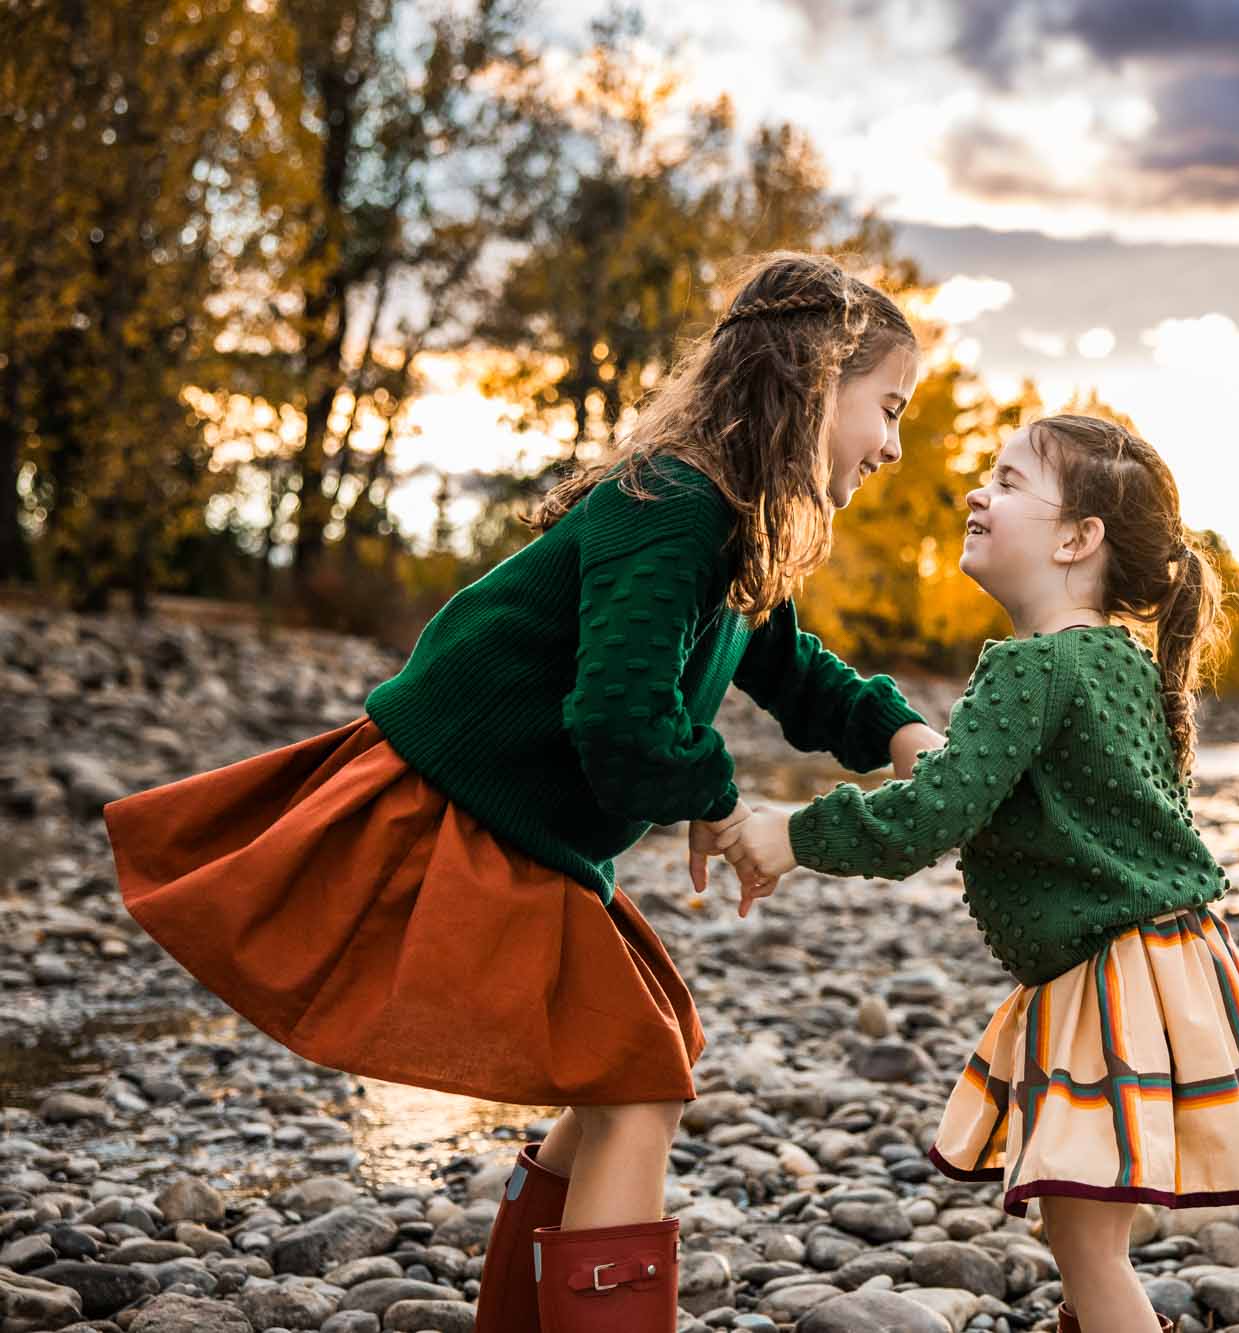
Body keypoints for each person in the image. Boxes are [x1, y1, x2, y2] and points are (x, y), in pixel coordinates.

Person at [102, 253, 946, 1333]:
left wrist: (904, 733)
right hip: (462, 808)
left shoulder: (726, 518)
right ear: (813, 380)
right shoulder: (674, 504)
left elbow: (785, 663)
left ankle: (519, 1314)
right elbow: (617, 715)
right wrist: (720, 806)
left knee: (645, 1050)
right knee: (637, 1077)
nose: (891, 445)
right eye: (887, 408)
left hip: (528, 826)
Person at [718, 414, 1239, 1332]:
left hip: (1111, 979)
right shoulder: (1116, 660)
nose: (976, 492)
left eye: (1007, 483)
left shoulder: (1033, 668)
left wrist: (793, 835)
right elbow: (1021, 796)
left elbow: (935, 816)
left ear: (1079, 539)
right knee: (1080, 1230)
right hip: (1169, 968)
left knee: (1086, 1244)